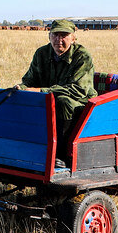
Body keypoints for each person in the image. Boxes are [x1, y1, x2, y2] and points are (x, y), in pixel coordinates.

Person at [14, 19, 97, 158]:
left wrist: (42, 91)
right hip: (51, 101)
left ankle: (61, 155)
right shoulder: (41, 53)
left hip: (81, 104)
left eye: (64, 35)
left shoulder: (82, 56)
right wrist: (21, 88)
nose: (59, 40)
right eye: (55, 35)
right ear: (49, 36)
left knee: (63, 102)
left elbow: (78, 90)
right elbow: (29, 80)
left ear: (73, 38)